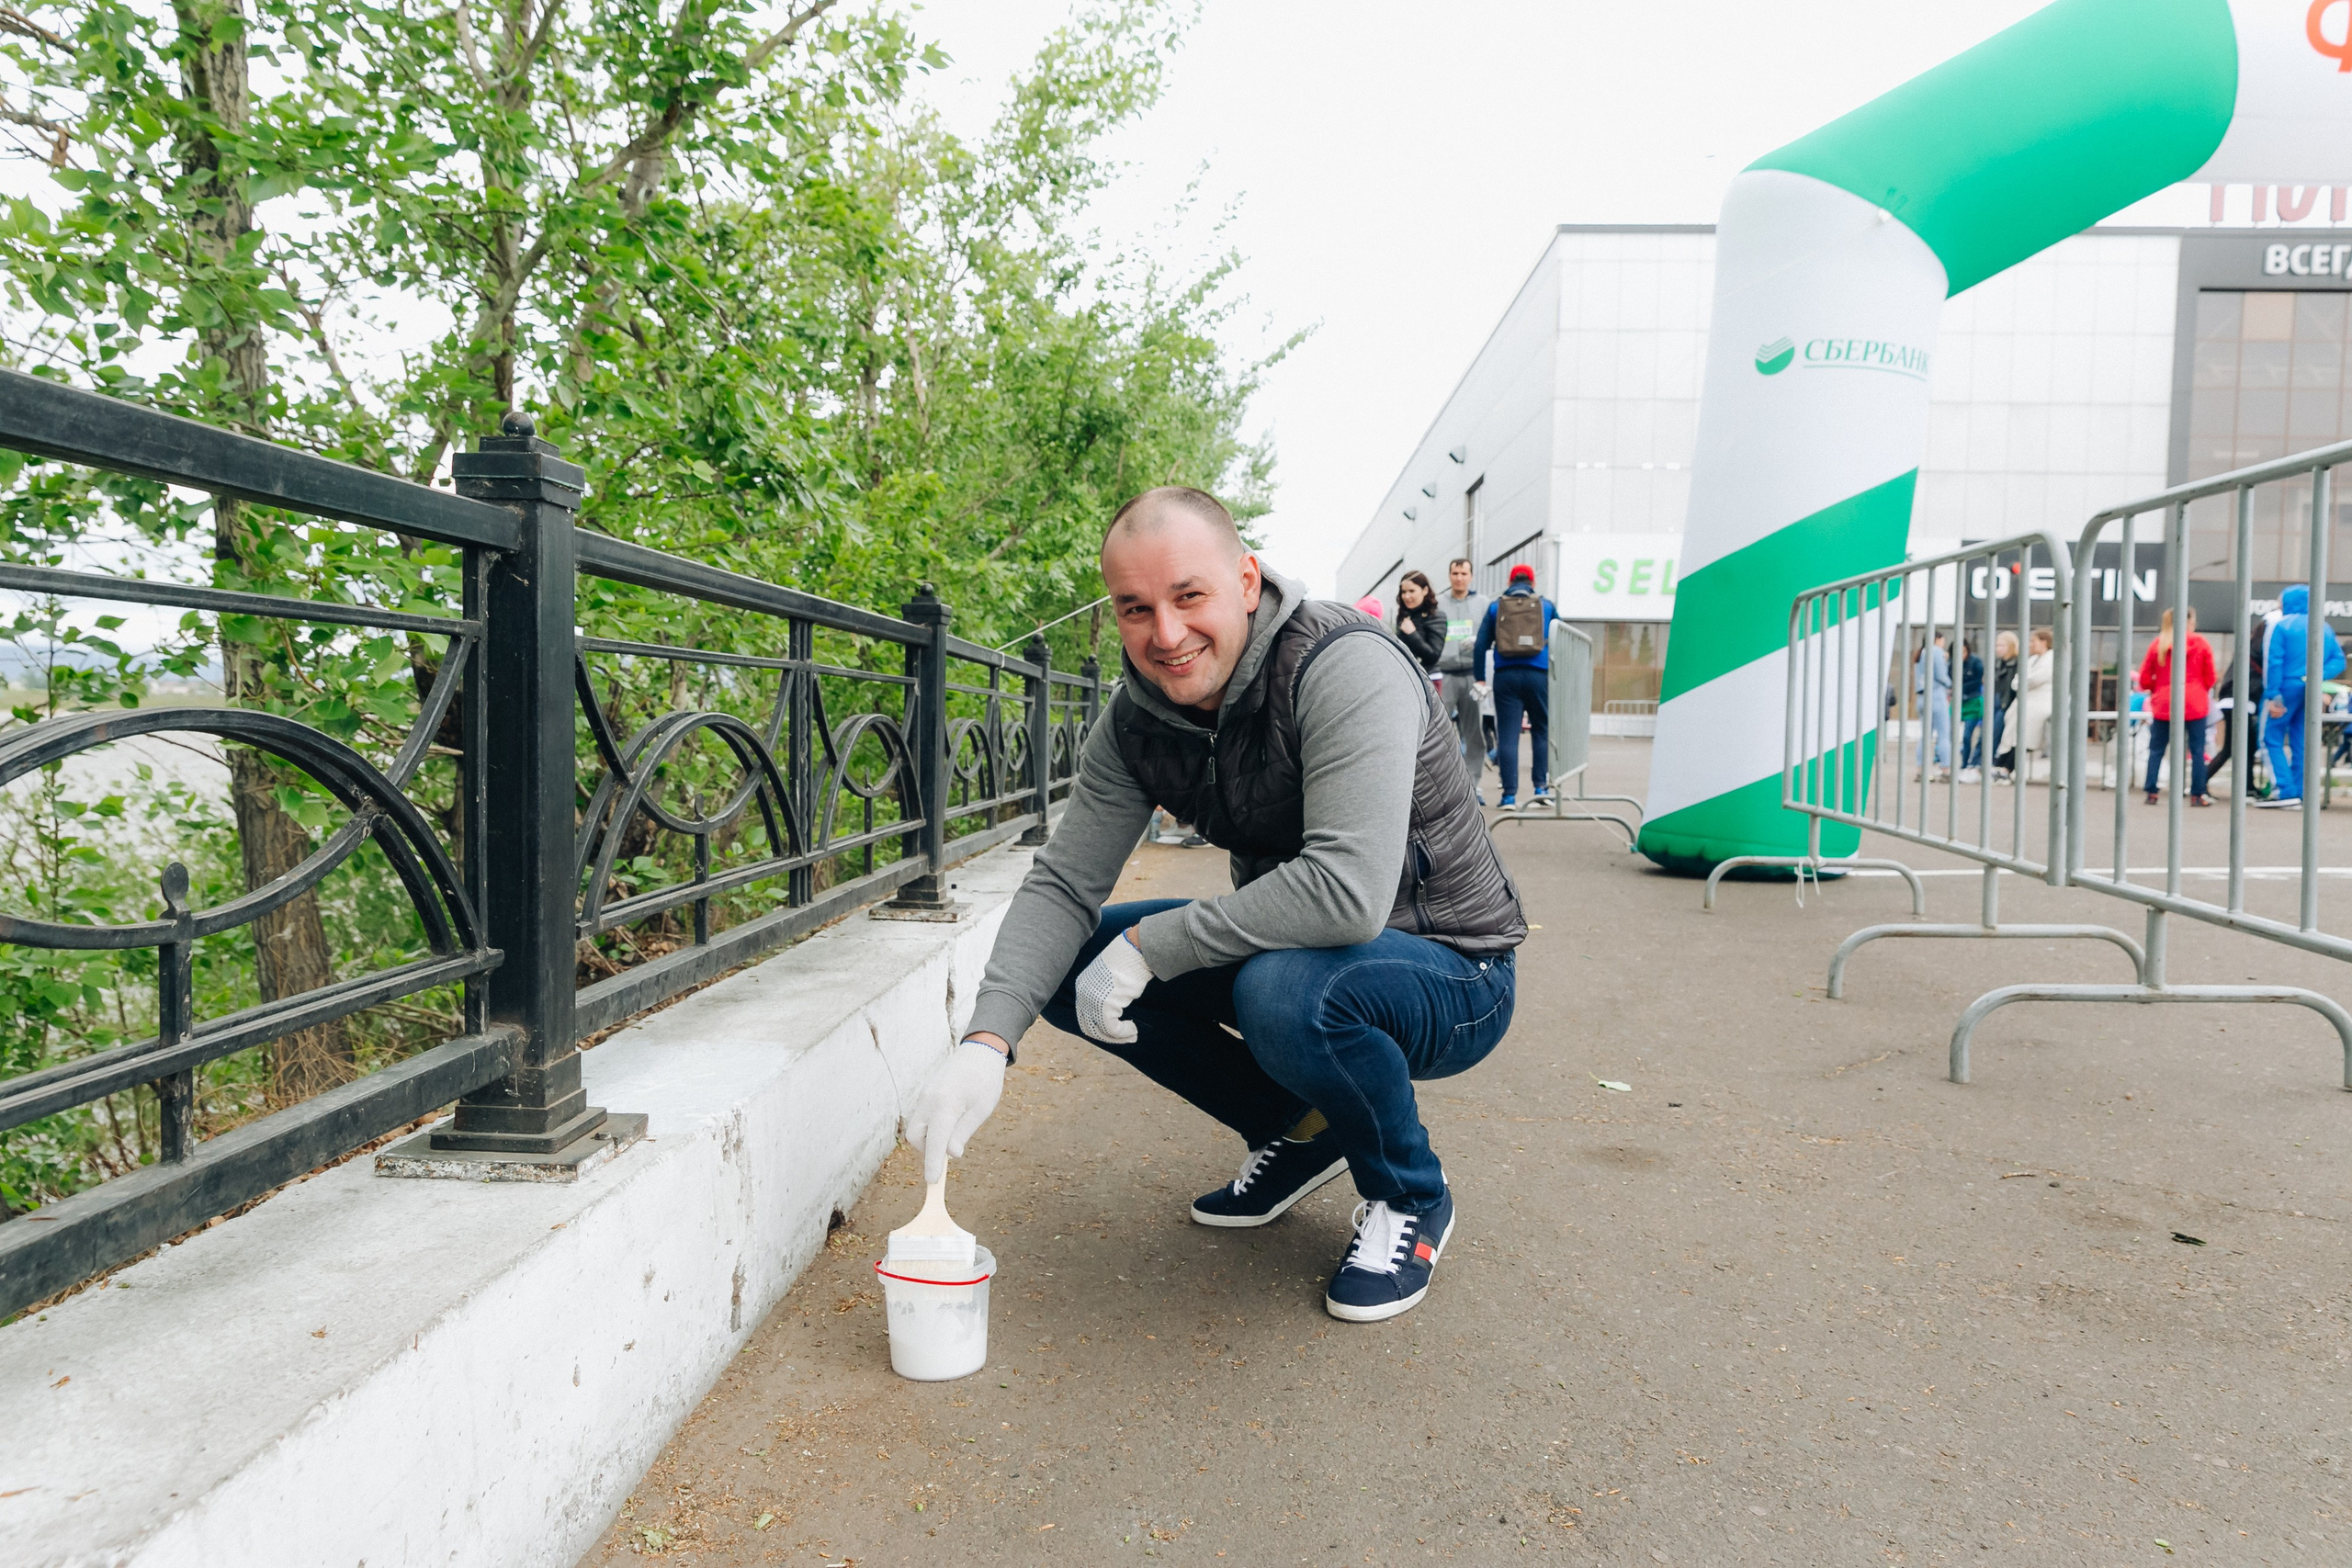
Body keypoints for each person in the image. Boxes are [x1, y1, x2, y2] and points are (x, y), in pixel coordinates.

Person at [902, 486, 1526, 1325]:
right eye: (1135, 607)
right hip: (1307, 951)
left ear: (1244, 578)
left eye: (1188, 596)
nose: (1165, 634)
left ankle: (1411, 1193)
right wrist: (985, 1041)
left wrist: (1153, 947)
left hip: (1455, 968)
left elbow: (1345, 894)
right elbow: (1062, 883)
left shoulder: (1343, 662)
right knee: (1070, 962)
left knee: (1285, 994)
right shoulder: (1136, 721)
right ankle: (1300, 1131)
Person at [1471, 563, 1559, 810]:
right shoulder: (1547, 605)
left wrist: (1480, 677)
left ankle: (1509, 796)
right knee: (1541, 730)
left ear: (1510, 583)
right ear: (1533, 583)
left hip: (1506, 676)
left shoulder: (1496, 606)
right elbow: (1561, 638)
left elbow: (1480, 645)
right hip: (1538, 675)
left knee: (1508, 735)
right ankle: (1541, 789)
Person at [2260, 582, 2346, 808]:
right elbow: (2338, 659)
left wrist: (2273, 696)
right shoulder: (2324, 627)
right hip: (2309, 689)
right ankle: (2301, 793)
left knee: (2270, 739)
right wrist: (2313, 676)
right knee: (2302, 741)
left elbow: (2274, 662)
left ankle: (2285, 792)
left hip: (2285, 688)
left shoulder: (2282, 626)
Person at [2135, 606, 2217, 806]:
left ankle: (2152, 792)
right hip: (2195, 702)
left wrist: (2159, 688)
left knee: (2157, 749)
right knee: (2197, 750)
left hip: (2165, 703)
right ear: (2189, 621)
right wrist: (2198, 688)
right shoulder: (2201, 643)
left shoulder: (2159, 644)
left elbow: (2145, 679)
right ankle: (2198, 794)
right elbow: (2211, 677)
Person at [1433, 558, 1488, 797]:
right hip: (1444, 674)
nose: (1459, 578)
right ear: (1449, 575)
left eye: (1463, 573)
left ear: (1471, 576)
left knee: (1474, 732)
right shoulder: (1438, 604)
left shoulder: (1483, 604)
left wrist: (1480, 643)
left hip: (1472, 675)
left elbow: (1493, 634)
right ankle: (1441, 786)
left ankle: (1472, 785)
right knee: (1437, 731)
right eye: (1455, 573)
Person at [2206, 612, 2266, 795]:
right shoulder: (2258, 649)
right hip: (2240, 702)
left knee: (2246, 748)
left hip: (2234, 700)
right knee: (2231, 748)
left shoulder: (2248, 647)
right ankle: (2199, 782)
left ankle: (2248, 787)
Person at [2002, 626, 2054, 777]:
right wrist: (2024, 682)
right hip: (2026, 702)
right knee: (2014, 730)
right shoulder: (2032, 660)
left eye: (2033, 641)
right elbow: (2017, 681)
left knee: (2023, 732)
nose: (2030, 644)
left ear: (2044, 642)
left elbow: (2036, 679)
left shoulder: (2052, 658)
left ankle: (2007, 767)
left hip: (2041, 704)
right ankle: (2003, 765)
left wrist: (2023, 683)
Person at [1912, 632, 1952, 780]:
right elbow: (1941, 675)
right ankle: (1945, 768)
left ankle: (1920, 769)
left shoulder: (1921, 652)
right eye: (1943, 640)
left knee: (1925, 735)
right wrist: (1951, 684)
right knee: (1943, 734)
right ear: (1938, 639)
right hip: (1936, 696)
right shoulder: (1936, 651)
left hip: (1922, 697)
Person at [1393, 570, 1446, 673]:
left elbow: (1433, 656)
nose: (1407, 596)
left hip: (1429, 678)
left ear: (1425, 590)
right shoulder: (1403, 616)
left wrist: (1412, 634)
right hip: (1406, 675)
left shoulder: (1436, 616)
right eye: (1403, 592)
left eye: (1412, 591)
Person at [1989, 630, 2020, 778]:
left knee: (1999, 735)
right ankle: (1987, 763)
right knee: (1989, 734)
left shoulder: (2018, 663)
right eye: (1996, 645)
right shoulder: (1998, 663)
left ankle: (1996, 765)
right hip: (1997, 701)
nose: (1998, 648)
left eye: (2001, 645)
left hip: (2007, 704)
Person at [1957, 639, 1985, 780]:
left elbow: (1979, 679)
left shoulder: (1976, 662)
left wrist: (1961, 687)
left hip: (1973, 701)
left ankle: (1965, 764)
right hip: (1957, 702)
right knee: (1952, 735)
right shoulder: (1952, 664)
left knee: (1967, 735)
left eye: (1962, 651)